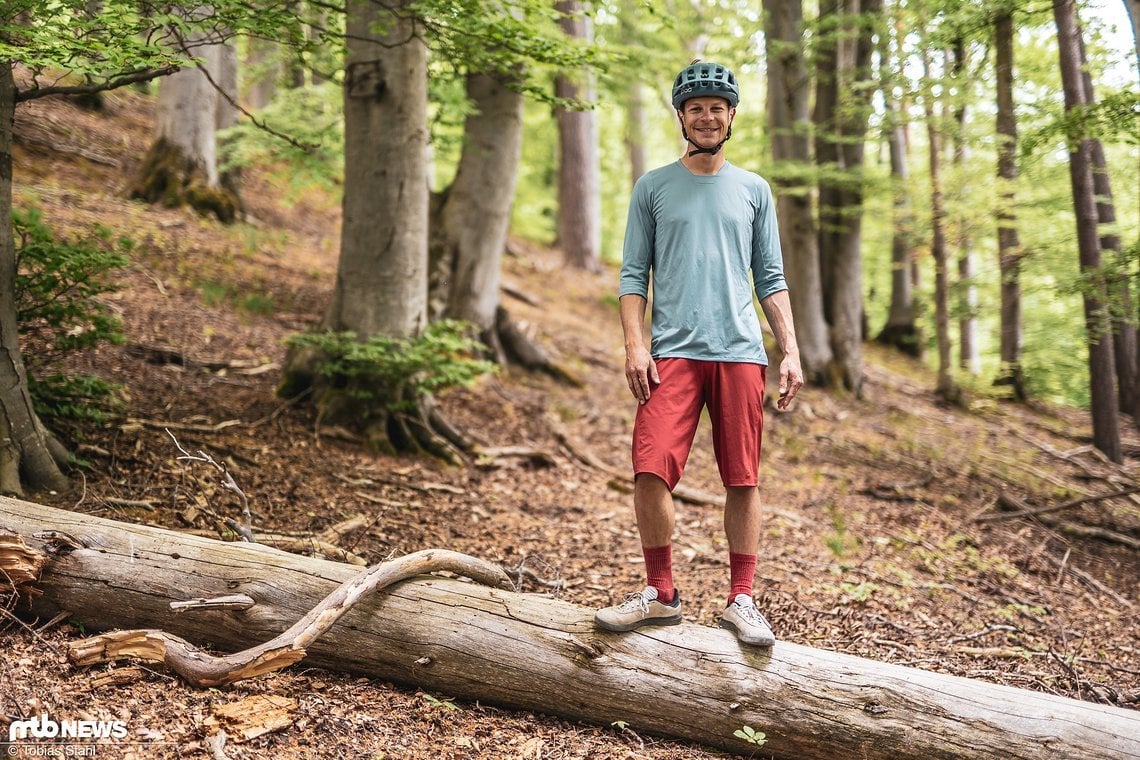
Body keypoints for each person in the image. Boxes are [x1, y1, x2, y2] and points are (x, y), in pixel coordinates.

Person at [594, 60, 804, 647]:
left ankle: (742, 599)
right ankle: (661, 593)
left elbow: (771, 277)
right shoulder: (653, 187)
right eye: (695, 108)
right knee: (649, 465)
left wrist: (789, 349)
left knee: (742, 477)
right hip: (673, 355)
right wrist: (635, 344)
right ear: (681, 117)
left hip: (740, 352)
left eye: (716, 107)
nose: (706, 117)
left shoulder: (755, 190)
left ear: (731, 116)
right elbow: (634, 276)